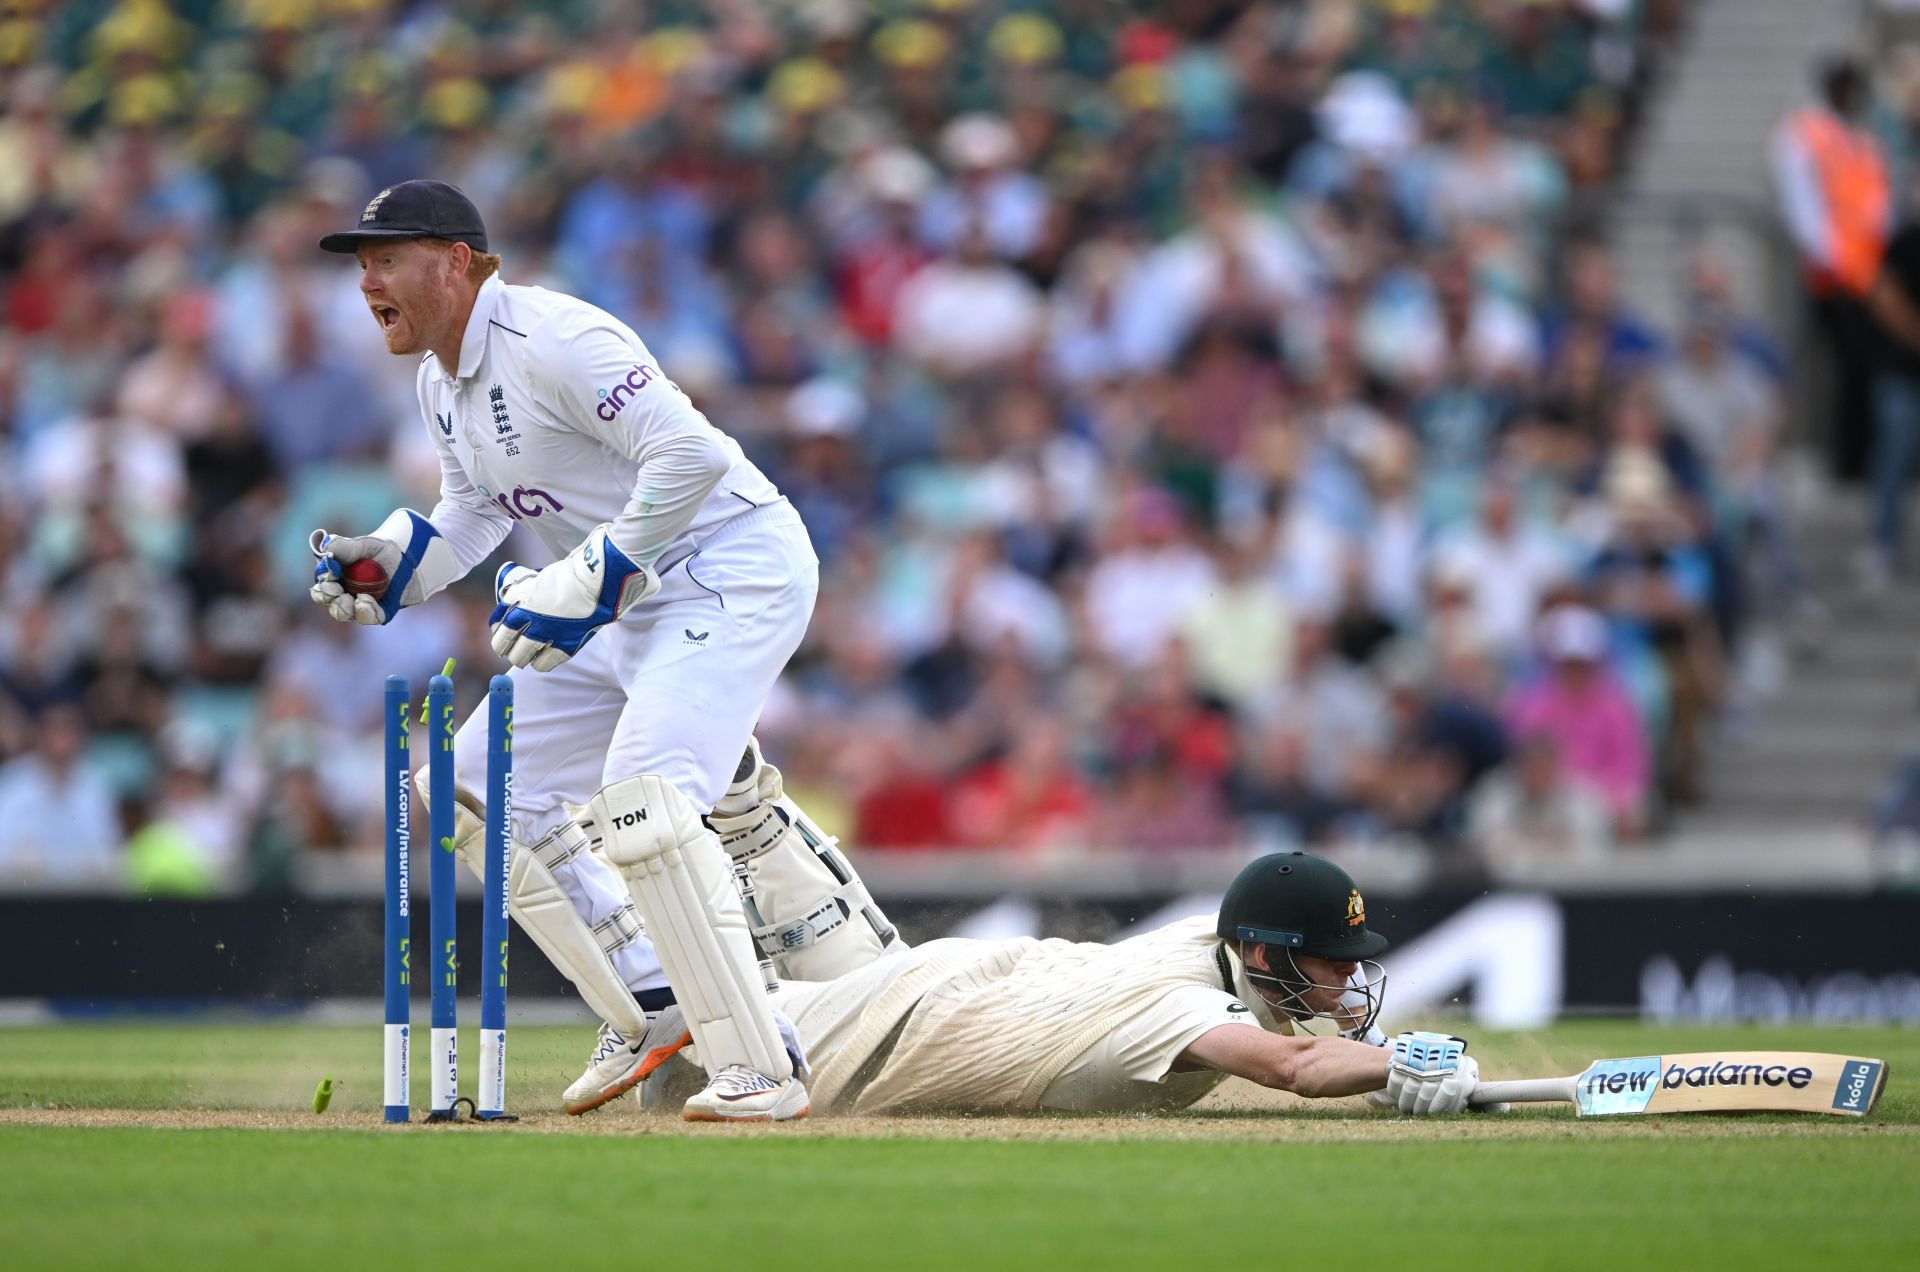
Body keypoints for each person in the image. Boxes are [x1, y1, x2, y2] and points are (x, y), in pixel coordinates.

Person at [306, 180, 897, 1121]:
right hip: (617, 598)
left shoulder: (556, 338)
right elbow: (472, 514)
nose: (367, 281)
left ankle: (762, 1067)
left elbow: (691, 454)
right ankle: (651, 1003)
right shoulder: (437, 381)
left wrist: (594, 575)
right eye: (362, 265)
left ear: (456, 263)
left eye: (386, 259)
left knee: (647, 793)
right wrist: (397, 565)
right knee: (462, 788)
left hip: (726, 565)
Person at [634, 850, 1489, 1119]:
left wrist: (1382, 1056)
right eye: (1334, 960)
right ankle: (642, 986)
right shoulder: (1184, 1006)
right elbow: (1293, 1070)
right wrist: (1407, 1063)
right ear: (1263, 957)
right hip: (924, 1014)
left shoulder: (1216, 942)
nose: (1350, 976)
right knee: (713, 1024)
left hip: (977, 977)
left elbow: (1311, 1046)